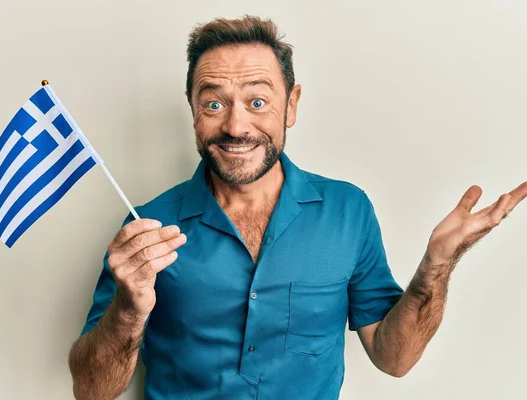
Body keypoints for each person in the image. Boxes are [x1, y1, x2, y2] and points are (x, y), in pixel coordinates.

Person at [68, 16, 526, 400]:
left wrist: (436, 268)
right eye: (213, 103)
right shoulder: (146, 227)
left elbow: (395, 359)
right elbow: (92, 390)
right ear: (192, 108)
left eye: (258, 100)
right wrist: (129, 309)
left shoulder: (349, 210)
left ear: (292, 105)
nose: (236, 124)